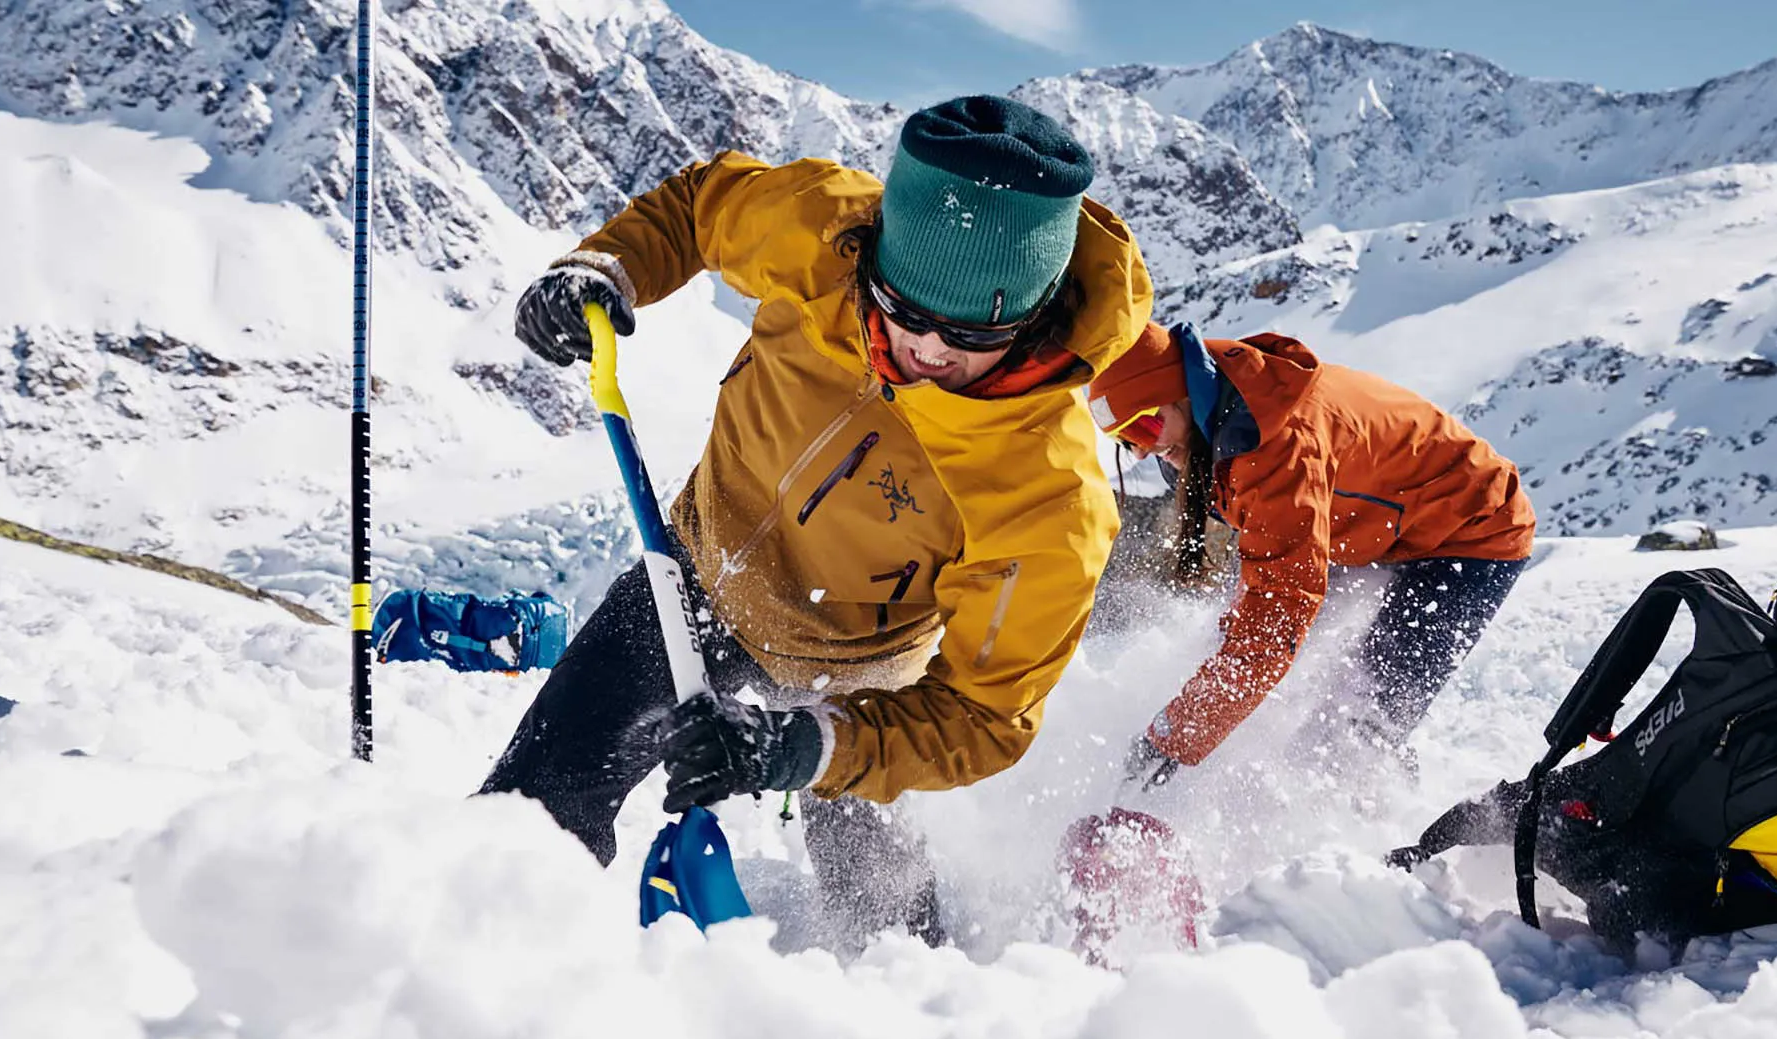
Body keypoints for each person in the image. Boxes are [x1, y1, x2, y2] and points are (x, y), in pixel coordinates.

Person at [482, 95, 1153, 946]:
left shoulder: (1046, 496)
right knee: (524, 824)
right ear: (869, 255)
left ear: (1036, 317)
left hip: (860, 674)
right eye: (903, 312)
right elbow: (700, 207)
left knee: (885, 925)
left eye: (970, 335)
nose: (929, 352)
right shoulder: (817, 229)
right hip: (685, 576)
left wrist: (808, 748)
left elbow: (987, 716)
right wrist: (608, 266)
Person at [1085, 322, 1536, 791]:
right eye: (1124, 438)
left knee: (1358, 723)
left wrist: (1175, 739)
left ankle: (1366, 825)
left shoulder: (1274, 445)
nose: (1142, 449)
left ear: (1182, 395)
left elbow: (1278, 613)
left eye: (1145, 424)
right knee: (1240, 654)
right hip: (1364, 527)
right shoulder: (1222, 414)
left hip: (1474, 530)